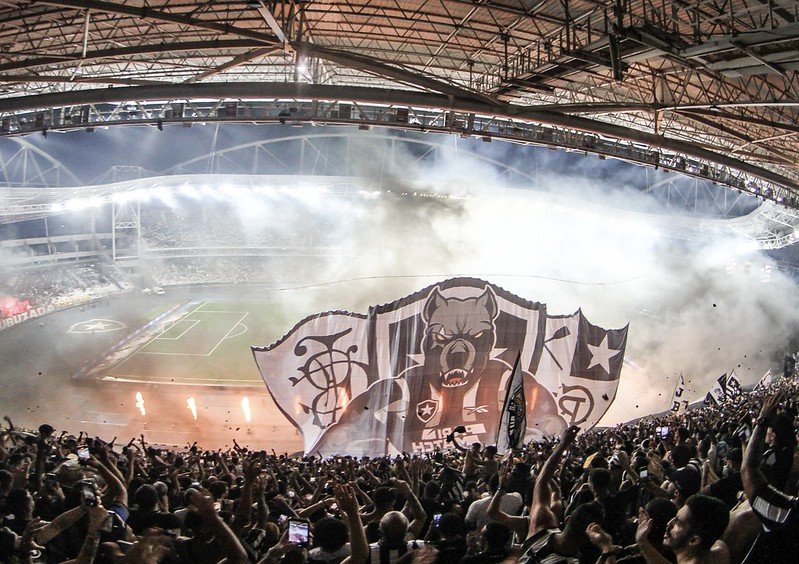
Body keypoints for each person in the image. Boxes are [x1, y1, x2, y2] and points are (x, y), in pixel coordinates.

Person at [636, 494, 729, 564]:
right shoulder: (721, 549)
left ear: (693, 540)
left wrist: (642, 541)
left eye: (678, 522)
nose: (669, 523)